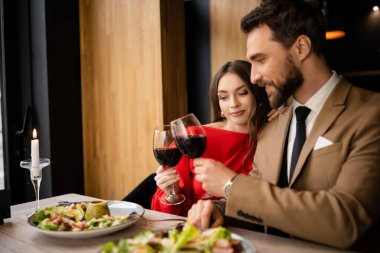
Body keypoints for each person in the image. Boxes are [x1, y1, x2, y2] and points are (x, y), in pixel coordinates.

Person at [187, 0, 380, 251]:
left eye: (260, 60)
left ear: (301, 48)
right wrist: (221, 210)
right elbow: (260, 199)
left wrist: (231, 185)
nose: (254, 77)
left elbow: (346, 220)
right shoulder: (272, 124)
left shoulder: (371, 114)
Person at [151, 60, 271, 216]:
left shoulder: (272, 136)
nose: (233, 104)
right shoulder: (192, 137)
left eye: (242, 93)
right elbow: (163, 213)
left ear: (258, 93)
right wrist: (171, 195)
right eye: (224, 97)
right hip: (198, 231)